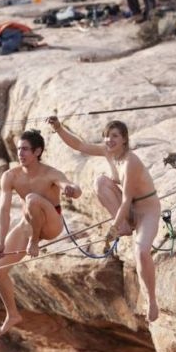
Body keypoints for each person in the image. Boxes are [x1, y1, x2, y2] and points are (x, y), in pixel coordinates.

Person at [46, 117, 160, 322]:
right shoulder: (109, 152)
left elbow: (126, 200)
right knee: (100, 181)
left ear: (124, 139)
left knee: (141, 251)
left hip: (147, 210)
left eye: (115, 136)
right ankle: (126, 226)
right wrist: (58, 128)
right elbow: (79, 145)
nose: (109, 140)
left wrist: (113, 229)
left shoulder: (130, 161)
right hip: (129, 209)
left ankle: (151, 300)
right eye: (107, 136)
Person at [0, 129, 82, 336]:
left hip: (50, 224)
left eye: (25, 150)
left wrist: (71, 190)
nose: (20, 154)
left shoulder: (50, 173)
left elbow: (72, 188)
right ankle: (12, 314)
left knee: (32, 199)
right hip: (27, 224)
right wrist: (0, 242)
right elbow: (4, 210)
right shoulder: (10, 176)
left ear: (37, 151)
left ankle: (34, 242)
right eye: (18, 149)